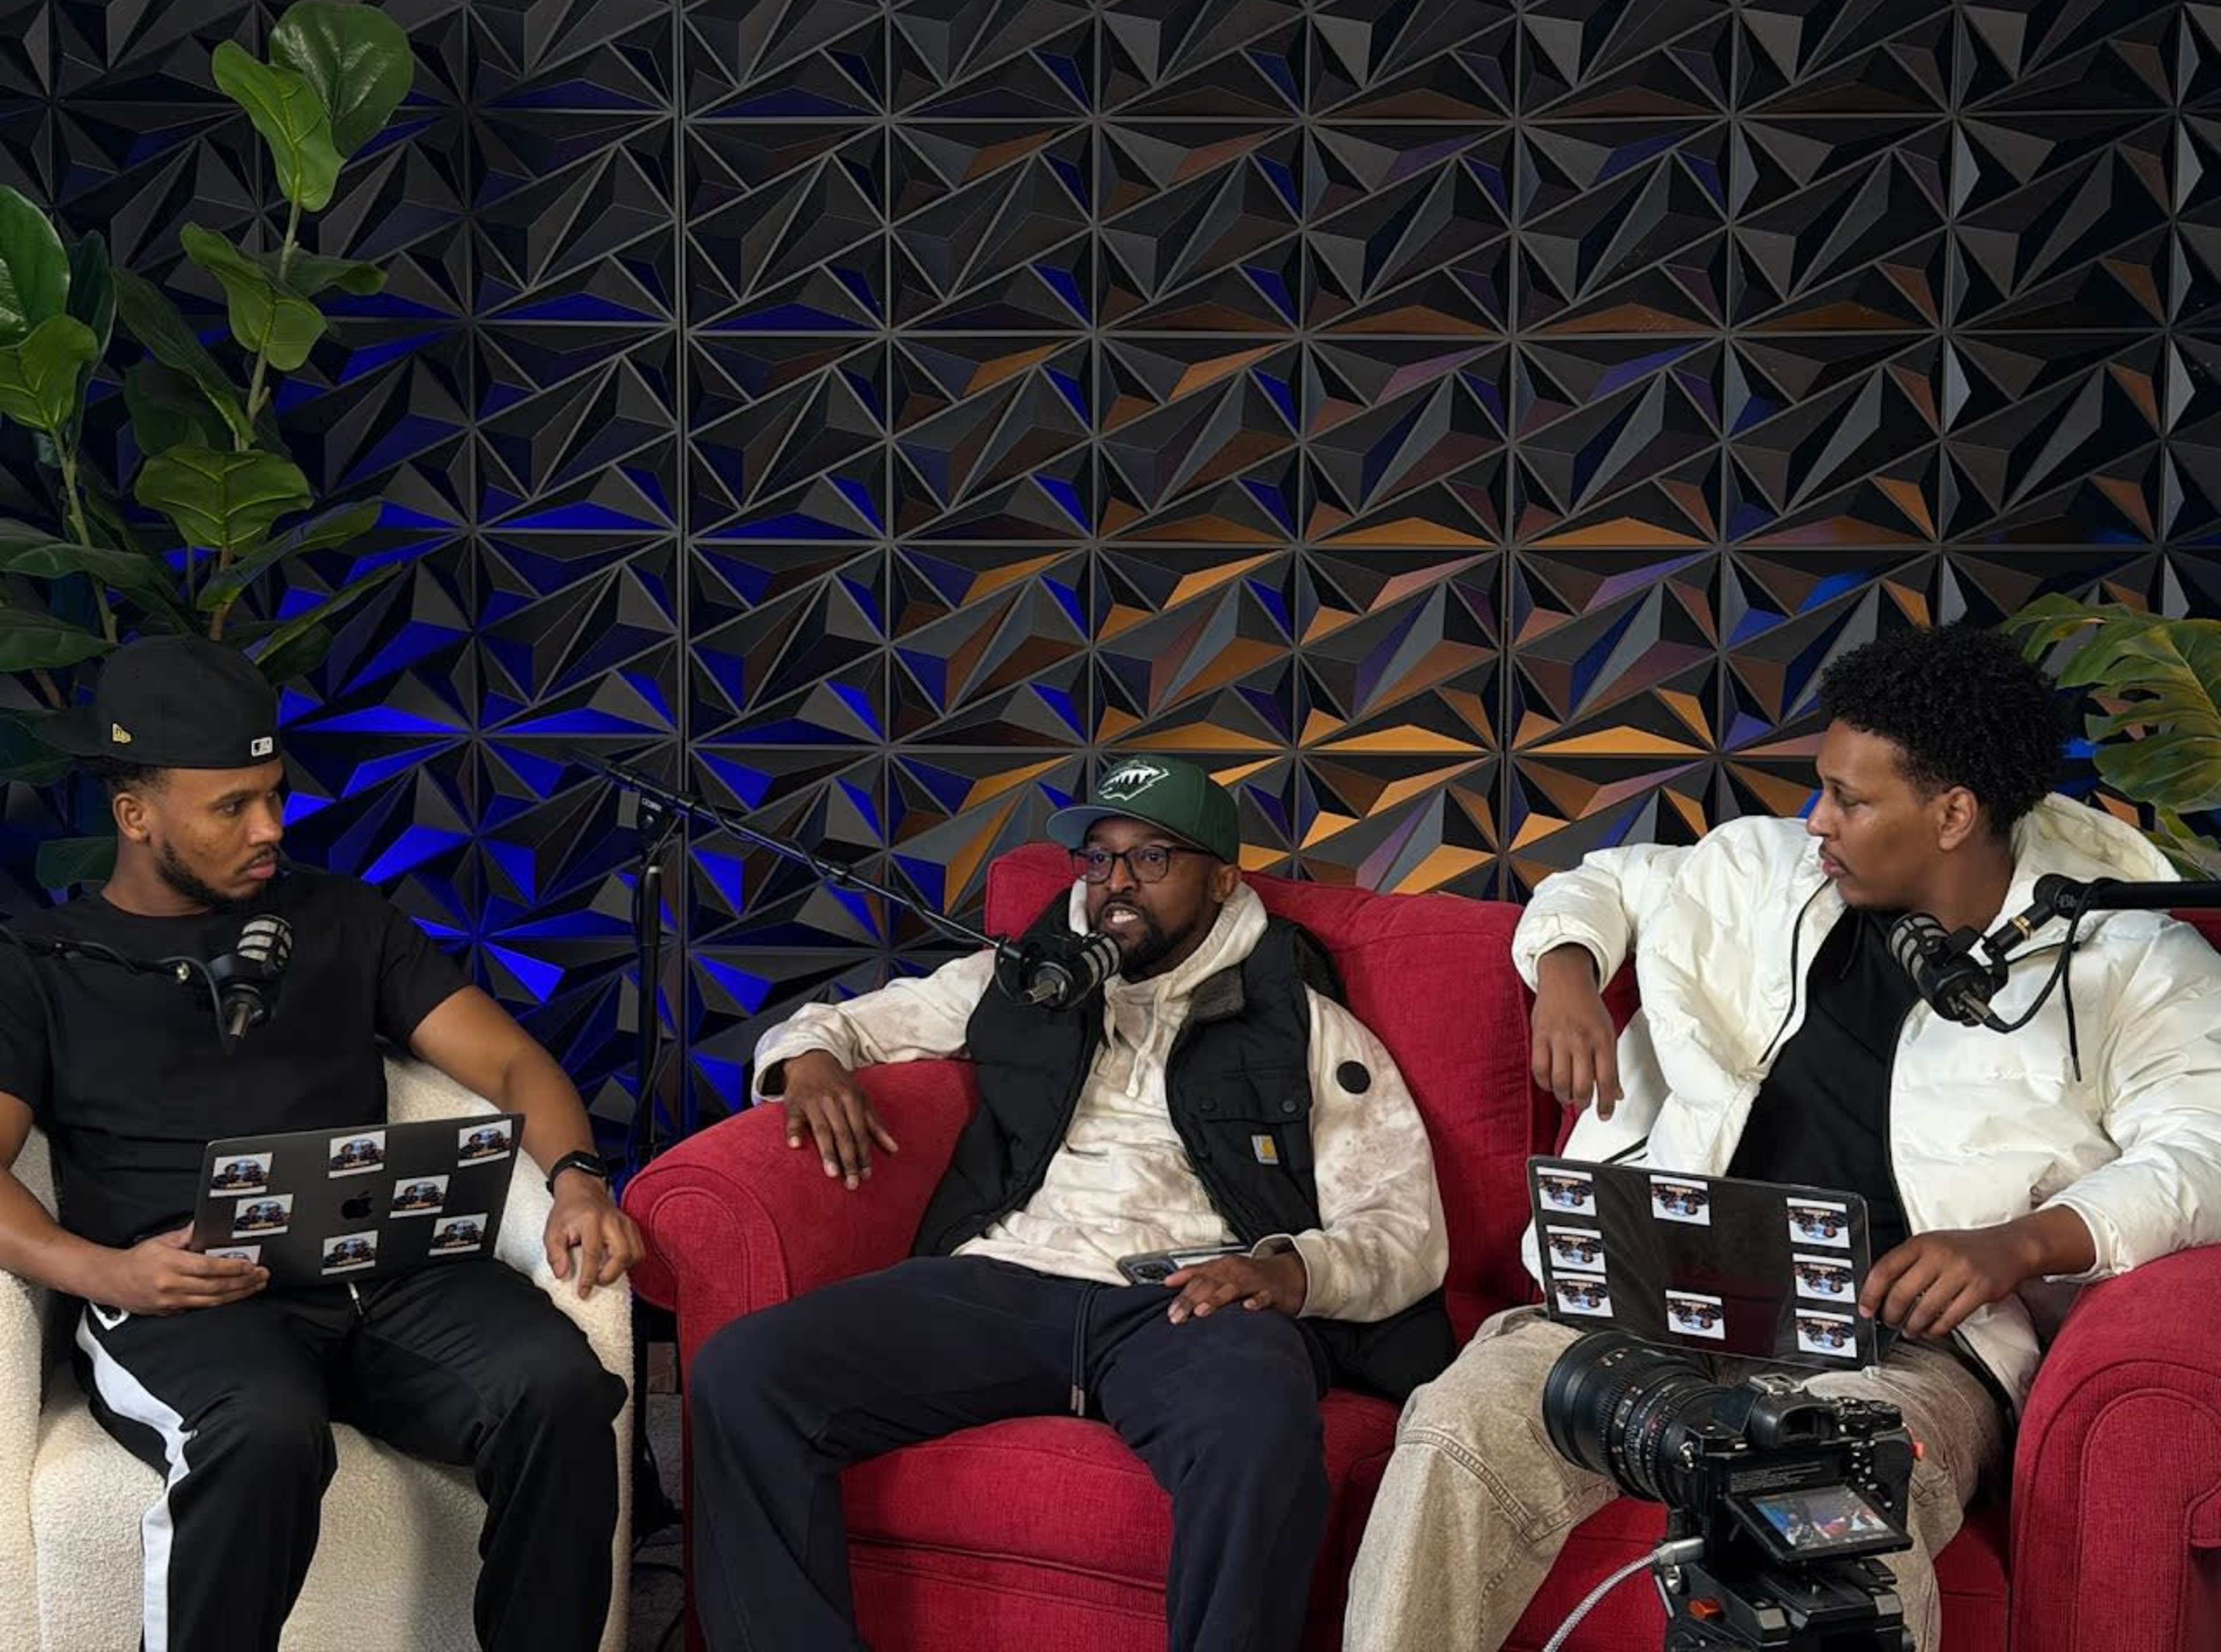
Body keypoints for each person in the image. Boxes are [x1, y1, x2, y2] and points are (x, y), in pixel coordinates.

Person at [1344, 623, 2221, 1651]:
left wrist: (2019, 1245)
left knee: (1833, 1531)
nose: (1818, 820)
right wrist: (1569, 974)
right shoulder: (1759, 872)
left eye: (1851, 799)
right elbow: (1608, 882)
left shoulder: (2127, 958)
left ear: (1952, 813)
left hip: (1907, 1349)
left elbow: (2202, 1145)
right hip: (1665, 1304)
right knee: (1457, 1428)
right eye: (1821, 788)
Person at [688, 754, 1453, 1652]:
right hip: (1009, 1280)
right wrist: (808, 1062)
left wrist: (1291, 1271)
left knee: (1258, 1430)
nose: (1116, 884)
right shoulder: (1019, 980)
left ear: (1222, 878)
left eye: (1152, 859)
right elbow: (846, 1022)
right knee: (745, 1373)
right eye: (1099, 859)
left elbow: (1403, 1227)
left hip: (1189, 1302)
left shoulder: (1306, 1023)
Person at [0, 636, 643, 1652]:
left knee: (558, 1390)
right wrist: (107, 1273)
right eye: (231, 808)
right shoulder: (38, 964)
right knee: (261, 1433)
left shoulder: (341, 917)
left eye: (275, 795)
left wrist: (576, 1182)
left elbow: (515, 1069)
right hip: (189, 1297)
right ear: (136, 815)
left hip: (384, 1271)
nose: (270, 829)